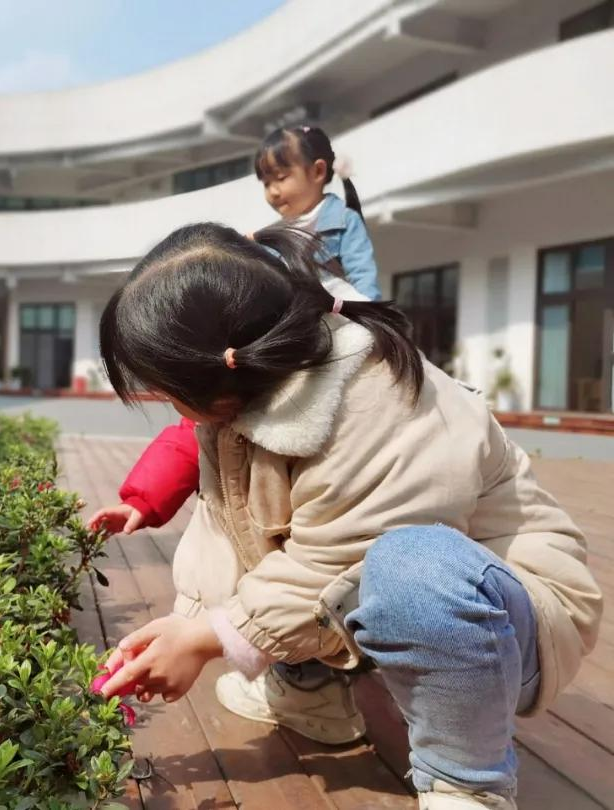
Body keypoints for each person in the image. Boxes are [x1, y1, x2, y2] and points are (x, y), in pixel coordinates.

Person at [94, 223, 602, 809]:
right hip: (372, 589)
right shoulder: (247, 401)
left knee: (409, 565)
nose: (160, 399)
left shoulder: (378, 397)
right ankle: (311, 694)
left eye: (160, 386)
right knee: (270, 538)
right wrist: (188, 627)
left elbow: (338, 562)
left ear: (221, 366)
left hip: (512, 623)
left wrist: (207, 638)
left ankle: (465, 781)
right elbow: (238, 540)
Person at [91, 124, 378, 537]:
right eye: (266, 182)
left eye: (282, 177)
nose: (274, 191)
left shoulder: (342, 223)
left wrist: (364, 321)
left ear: (318, 172)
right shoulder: (262, 244)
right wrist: (141, 501)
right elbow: (187, 438)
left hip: (324, 332)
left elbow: (364, 284)